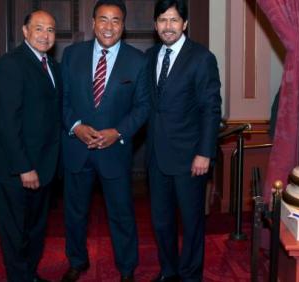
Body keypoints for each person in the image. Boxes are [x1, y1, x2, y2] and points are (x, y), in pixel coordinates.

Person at [60, 1, 150, 281]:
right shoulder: (71, 55)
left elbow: (143, 107)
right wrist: (75, 126)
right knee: (75, 213)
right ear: (92, 22)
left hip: (115, 152)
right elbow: (61, 100)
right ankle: (77, 261)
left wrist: (118, 132)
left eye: (116, 21)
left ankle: (126, 268)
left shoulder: (138, 60)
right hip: (77, 149)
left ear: (123, 25)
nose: (109, 26)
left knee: (122, 215)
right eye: (103, 19)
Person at [145, 0, 222, 281]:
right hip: (156, 157)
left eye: (174, 20)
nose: (168, 26)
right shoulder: (150, 56)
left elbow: (211, 109)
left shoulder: (202, 58)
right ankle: (168, 271)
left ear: (185, 24)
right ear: (155, 25)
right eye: (163, 20)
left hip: (191, 159)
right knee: (161, 222)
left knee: (191, 224)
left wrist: (204, 153)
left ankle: (190, 276)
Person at [0, 10, 61, 282]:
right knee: (15, 232)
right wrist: (24, 167)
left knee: (35, 229)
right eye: (39, 28)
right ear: (25, 31)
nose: (45, 35)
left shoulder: (52, 66)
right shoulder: (11, 65)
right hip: (16, 170)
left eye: (51, 30)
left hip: (43, 168)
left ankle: (30, 274)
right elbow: (6, 123)